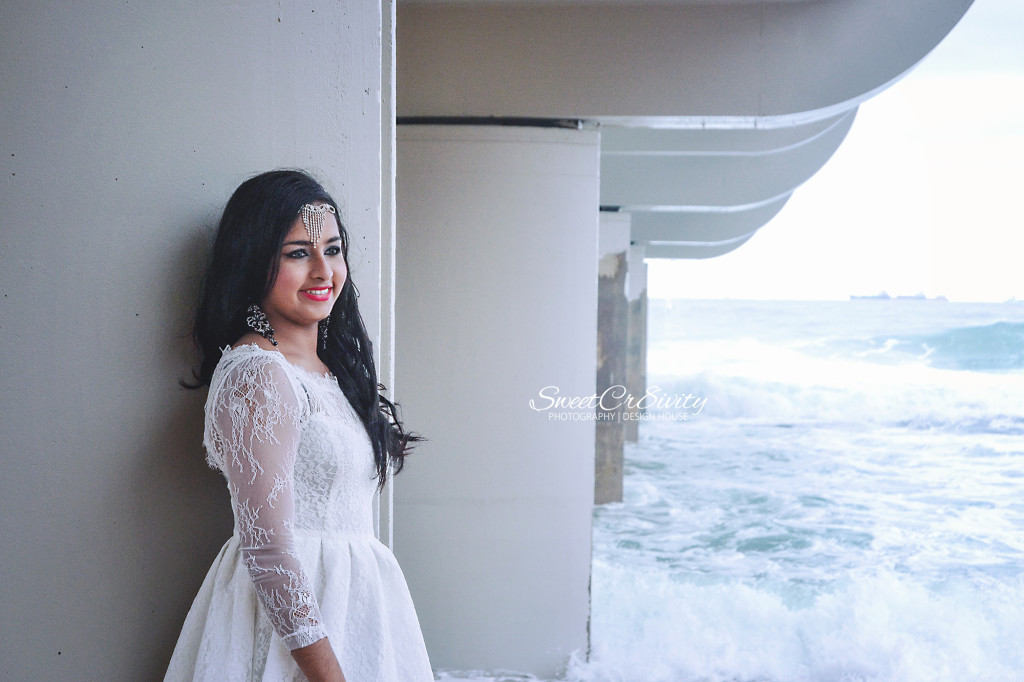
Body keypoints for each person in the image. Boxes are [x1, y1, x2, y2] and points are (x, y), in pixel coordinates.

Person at [165, 170, 433, 681]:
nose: (322, 271)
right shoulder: (259, 374)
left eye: (332, 250)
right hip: (295, 634)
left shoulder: (329, 371)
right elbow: (267, 550)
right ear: (252, 262)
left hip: (353, 610)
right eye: (297, 254)